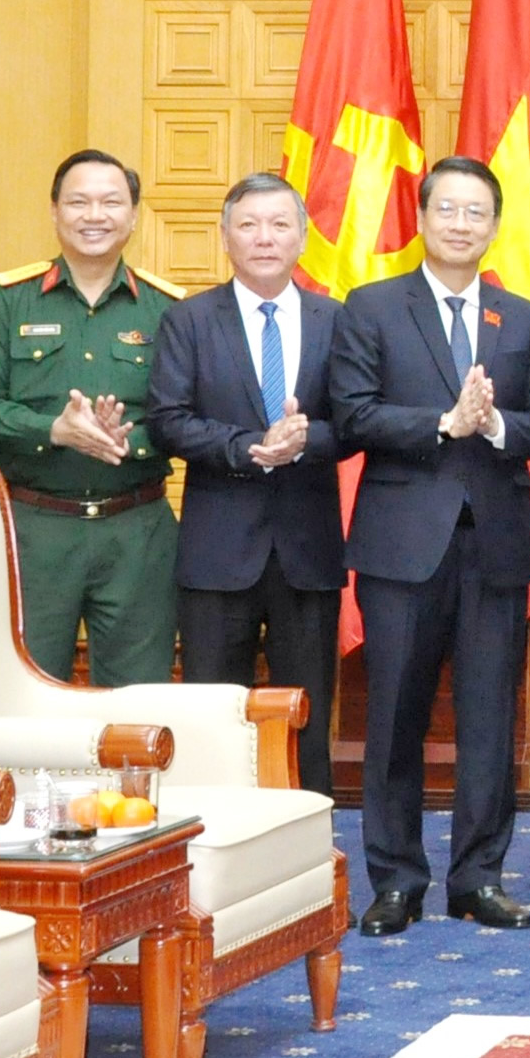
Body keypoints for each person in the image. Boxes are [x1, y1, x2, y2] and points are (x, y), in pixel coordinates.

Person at [328, 157, 530, 936]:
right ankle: (395, 880)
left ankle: (478, 878)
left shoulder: (520, 318)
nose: (461, 225)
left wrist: (493, 425)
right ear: (422, 220)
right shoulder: (372, 307)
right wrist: (440, 424)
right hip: (401, 544)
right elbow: (353, 414)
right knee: (395, 715)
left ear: (495, 227)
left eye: (476, 213)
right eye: (447, 210)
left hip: (494, 543)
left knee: (491, 718)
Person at [148, 173, 349, 795]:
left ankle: (311, 851)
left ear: (303, 237)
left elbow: (359, 419)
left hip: (307, 551)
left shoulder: (337, 320)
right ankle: (213, 851)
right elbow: (168, 421)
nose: (265, 237)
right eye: (249, 225)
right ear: (225, 237)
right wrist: (250, 448)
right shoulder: (188, 319)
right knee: (212, 718)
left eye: (280, 224)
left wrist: (306, 440)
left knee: (306, 717)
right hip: (216, 552)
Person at [0, 150, 186, 686]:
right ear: (54, 211)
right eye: (79, 201)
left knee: (139, 702)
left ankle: (131, 779)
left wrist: (127, 442)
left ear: (134, 215)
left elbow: (186, 416)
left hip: (138, 532)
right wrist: (53, 431)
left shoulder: (169, 308)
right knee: (28, 694)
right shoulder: (7, 300)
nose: (95, 215)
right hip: (36, 528)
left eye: (111, 202)